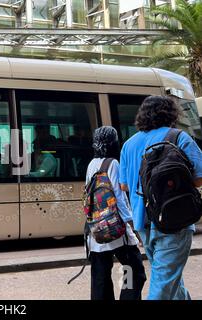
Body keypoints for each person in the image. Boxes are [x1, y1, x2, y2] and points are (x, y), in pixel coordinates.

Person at [119, 95, 202, 300]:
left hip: (142, 222)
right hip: (174, 220)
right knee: (164, 284)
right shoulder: (178, 137)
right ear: (171, 114)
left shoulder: (129, 144)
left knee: (170, 278)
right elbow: (199, 179)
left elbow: (123, 185)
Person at [86, 126, 146, 300]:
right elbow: (119, 198)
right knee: (132, 270)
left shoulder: (92, 164)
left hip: (96, 230)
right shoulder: (113, 163)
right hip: (116, 230)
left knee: (100, 277)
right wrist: (133, 225)